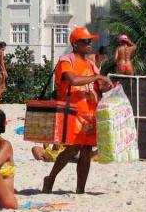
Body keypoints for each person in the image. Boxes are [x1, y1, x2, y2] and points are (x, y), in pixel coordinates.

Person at [43, 27, 112, 194]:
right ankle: (51, 177)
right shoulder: (66, 60)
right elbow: (72, 80)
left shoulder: (91, 64)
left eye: (90, 41)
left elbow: (98, 86)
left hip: (90, 112)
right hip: (71, 111)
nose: (90, 44)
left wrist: (106, 85)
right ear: (75, 43)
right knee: (73, 147)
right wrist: (97, 78)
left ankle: (80, 189)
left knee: (87, 151)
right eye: (85, 41)